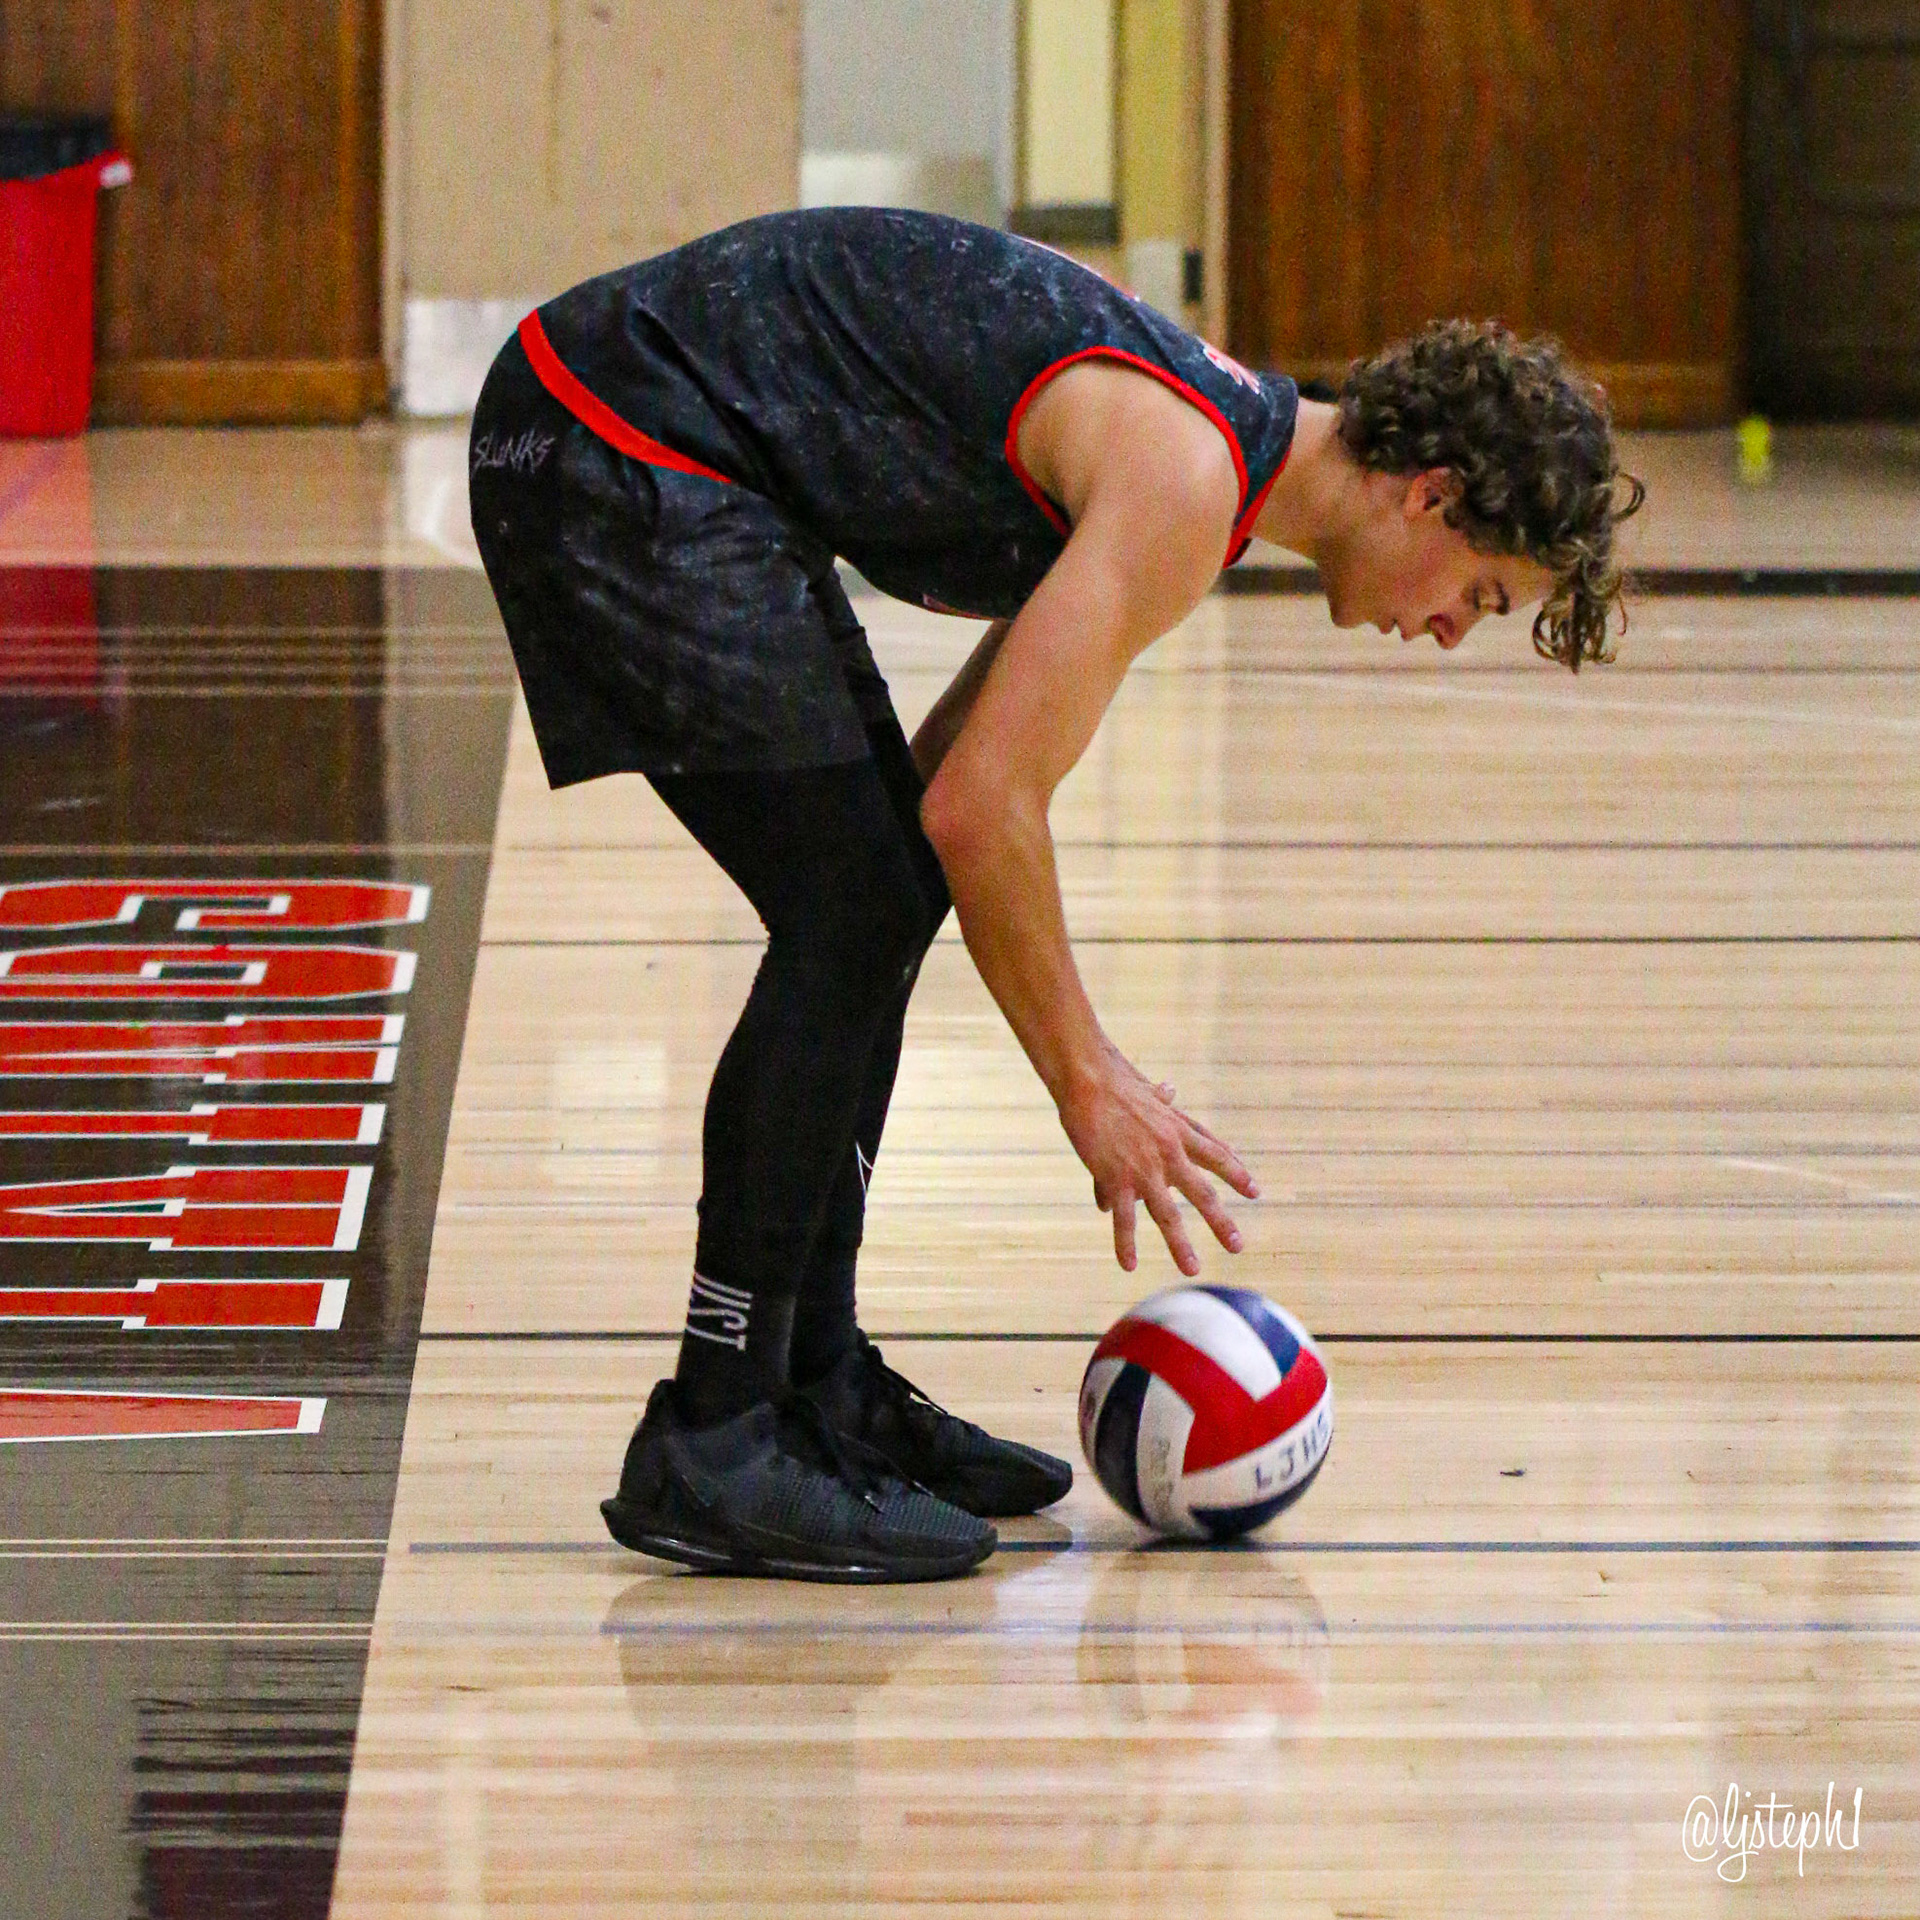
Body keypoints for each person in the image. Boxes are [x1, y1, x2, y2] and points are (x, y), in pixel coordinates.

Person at [468, 206, 1642, 1584]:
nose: (1447, 631)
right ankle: (717, 1431)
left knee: (874, 900)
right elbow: (983, 810)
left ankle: (812, 1379)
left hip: (627, 425)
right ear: (1430, 495)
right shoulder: (1187, 477)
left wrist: (929, 915)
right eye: (1482, 596)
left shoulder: (1206, 459)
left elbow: (949, 794)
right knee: (855, 912)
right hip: (609, 431)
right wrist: (1089, 1080)